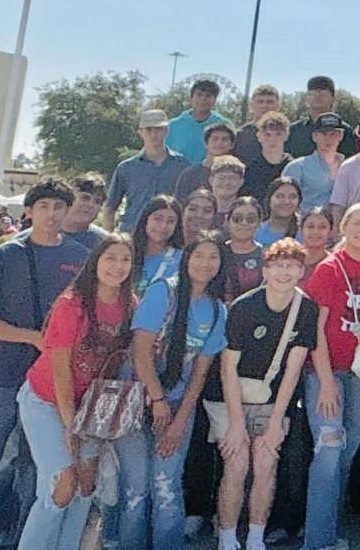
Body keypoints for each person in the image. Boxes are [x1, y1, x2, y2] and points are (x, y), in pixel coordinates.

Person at [0, 180, 89, 550]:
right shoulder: (6, 255)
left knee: (34, 469)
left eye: (59, 206)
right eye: (44, 206)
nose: (52, 214)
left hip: (52, 383)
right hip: (3, 375)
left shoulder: (81, 258)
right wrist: (30, 337)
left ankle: (16, 537)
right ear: (29, 211)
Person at [15, 234, 135, 549]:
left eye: (125, 259)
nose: (117, 266)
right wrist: (70, 426)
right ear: (96, 261)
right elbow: (60, 369)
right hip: (46, 400)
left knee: (85, 486)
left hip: (90, 408)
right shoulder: (72, 304)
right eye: (111, 257)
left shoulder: (130, 305)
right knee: (61, 486)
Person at [116, 231, 228, 549]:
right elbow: (140, 351)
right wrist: (158, 399)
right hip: (139, 399)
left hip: (179, 404)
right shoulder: (162, 292)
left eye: (213, 256)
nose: (205, 263)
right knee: (136, 489)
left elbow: (200, 373)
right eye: (198, 255)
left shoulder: (219, 311)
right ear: (186, 258)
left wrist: (179, 421)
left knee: (166, 485)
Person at [210, 239, 318, 550]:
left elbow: (293, 369)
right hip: (229, 396)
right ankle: (228, 537)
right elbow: (227, 368)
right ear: (266, 270)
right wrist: (236, 423)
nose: (285, 272)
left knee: (266, 460)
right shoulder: (244, 306)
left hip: (271, 398)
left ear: (301, 271)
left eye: (292, 266)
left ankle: (256, 536)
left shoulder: (306, 309)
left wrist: (275, 424)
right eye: (278, 265)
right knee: (237, 461)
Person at [300, 203, 360, 550]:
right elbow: (315, 330)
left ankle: (331, 532)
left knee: (346, 451)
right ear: (344, 226)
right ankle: (316, 540)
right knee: (329, 450)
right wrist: (325, 380)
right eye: (358, 223)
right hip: (329, 371)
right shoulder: (327, 269)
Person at [105, 109, 191, 232]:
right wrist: (110, 238)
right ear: (140, 132)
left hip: (168, 234)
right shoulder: (126, 168)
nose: (153, 134)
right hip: (132, 233)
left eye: (158, 129)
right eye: (148, 129)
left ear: (167, 130)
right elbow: (110, 207)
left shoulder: (182, 166)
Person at [283, 112, 347, 211]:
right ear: (314, 136)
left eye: (334, 134)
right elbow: (285, 203)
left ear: (341, 136)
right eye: (323, 133)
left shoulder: (349, 167)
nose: (328, 138)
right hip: (307, 224)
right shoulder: (297, 167)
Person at [285, 76, 359, 158]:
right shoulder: (293, 130)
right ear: (307, 100)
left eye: (323, 93)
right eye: (314, 93)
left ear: (333, 99)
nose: (318, 96)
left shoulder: (344, 130)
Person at [165, 79, 234, 165]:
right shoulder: (173, 125)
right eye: (199, 95)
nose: (203, 99)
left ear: (215, 101)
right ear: (191, 98)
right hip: (177, 176)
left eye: (208, 96)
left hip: (213, 176)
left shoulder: (224, 125)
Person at [131, 195, 185, 297]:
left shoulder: (183, 259)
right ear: (146, 219)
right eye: (157, 219)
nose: (163, 225)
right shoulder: (127, 252)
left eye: (171, 221)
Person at [174, 121, 237, 201]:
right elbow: (179, 205)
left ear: (232, 145)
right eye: (215, 139)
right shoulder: (190, 174)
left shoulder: (237, 174)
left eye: (225, 139)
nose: (220, 142)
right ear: (205, 144)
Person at [240, 111, 294, 202]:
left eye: (278, 134)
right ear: (259, 136)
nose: (272, 140)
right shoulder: (249, 170)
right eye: (267, 135)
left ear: (286, 136)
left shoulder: (295, 167)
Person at [223, 197, 265, 301]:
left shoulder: (267, 255)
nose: (244, 223)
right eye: (237, 219)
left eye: (251, 219)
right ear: (228, 221)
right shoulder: (217, 253)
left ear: (259, 223)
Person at [234, 84, 282, 163]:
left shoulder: (287, 134)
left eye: (270, 102)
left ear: (278, 105)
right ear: (251, 105)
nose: (264, 106)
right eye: (260, 101)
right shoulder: (238, 135)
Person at [63, 172, 109, 250]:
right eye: (85, 198)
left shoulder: (105, 243)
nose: (91, 205)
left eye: (97, 201)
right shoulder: (43, 233)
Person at [255, 177, 302, 246]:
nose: (286, 202)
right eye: (280, 196)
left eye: (292, 197)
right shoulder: (255, 232)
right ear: (269, 200)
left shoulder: (306, 233)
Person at [208, 155, 247, 223]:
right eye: (221, 178)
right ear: (211, 180)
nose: (227, 183)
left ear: (241, 182)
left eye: (233, 178)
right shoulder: (202, 214)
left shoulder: (245, 215)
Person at [299, 207, 334, 279]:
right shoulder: (290, 260)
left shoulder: (335, 265)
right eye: (310, 227)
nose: (316, 232)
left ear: (330, 232)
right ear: (301, 230)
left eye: (322, 227)